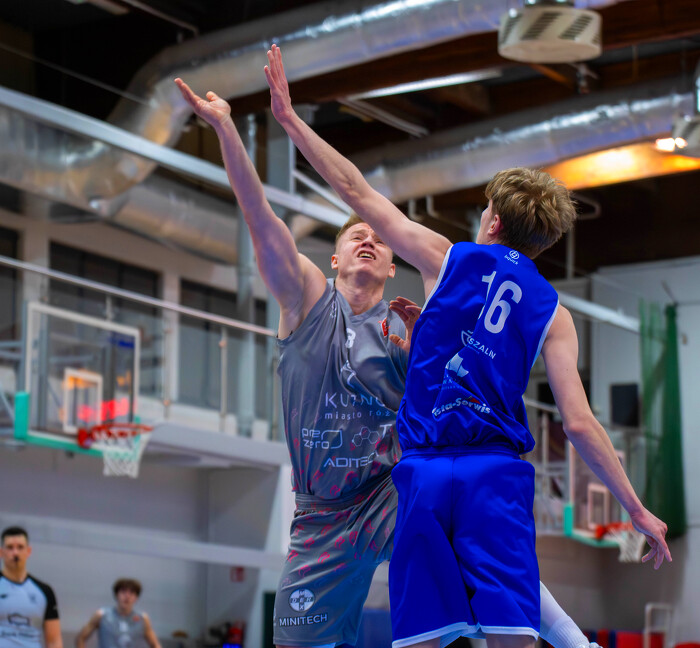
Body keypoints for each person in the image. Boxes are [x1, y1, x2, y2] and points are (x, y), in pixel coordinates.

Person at [174, 76, 608, 648]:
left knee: (482, 538)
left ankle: (572, 640)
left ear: (392, 263)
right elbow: (259, 216)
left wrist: (425, 341)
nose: (368, 241)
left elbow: (458, 392)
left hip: (391, 493)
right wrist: (228, 129)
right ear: (332, 258)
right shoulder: (304, 297)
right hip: (322, 513)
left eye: (377, 239)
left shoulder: (415, 330)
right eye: (355, 236)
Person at [263, 43, 671, 648]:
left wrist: (291, 121)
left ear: (493, 222)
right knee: (513, 633)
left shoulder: (448, 258)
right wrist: (634, 508)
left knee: (425, 638)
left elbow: (355, 189)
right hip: (495, 475)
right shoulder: (554, 313)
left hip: (424, 474)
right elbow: (580, 425)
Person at [0, 526, 63, 648]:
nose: (15, 553)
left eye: (20, 547)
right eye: (10, 547)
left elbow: (54, 640)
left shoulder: (44, 591)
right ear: (1, 552)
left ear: (28, 551)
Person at [75, 578, 160, 648]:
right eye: (123, 592)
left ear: (136, 597)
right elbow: (81, 638)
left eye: (131, 593)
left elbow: (155, 644)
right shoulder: (102, 615)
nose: (127, 596)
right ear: (116, 594)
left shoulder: (142, 618)